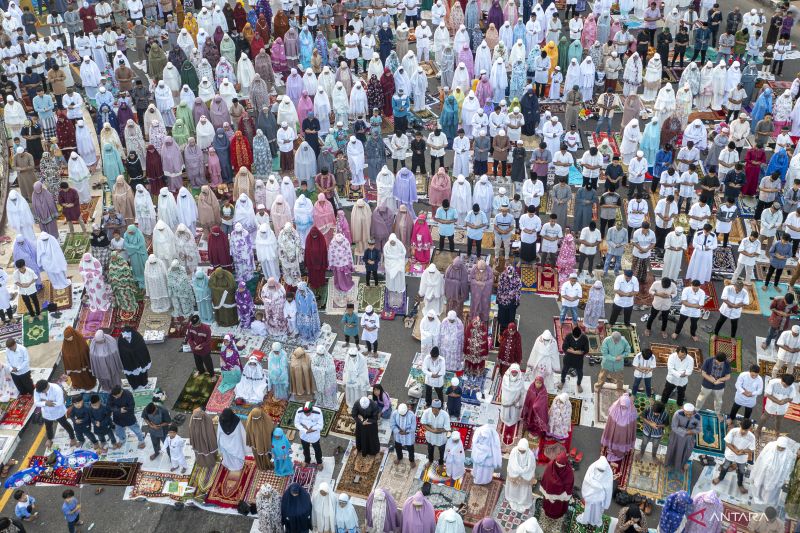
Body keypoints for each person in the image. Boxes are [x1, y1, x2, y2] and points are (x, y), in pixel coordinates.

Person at [713, 418, 755, 494]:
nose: (743, 431)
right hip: (730, 454)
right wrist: (735, 451)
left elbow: (752, 450)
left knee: (741, 470)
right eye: (742, 429)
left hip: (742, 457)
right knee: (725, 466)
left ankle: (740, 484)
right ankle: (720, 477)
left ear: (749, 429)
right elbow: (727, 443)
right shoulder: (733, 431)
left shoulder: (752, 437)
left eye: (746, 430)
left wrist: (742, 451)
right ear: (740, 425)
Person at [751, 437, 796, 505]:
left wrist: (786, 478)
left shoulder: (789, 454)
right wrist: (757, 469)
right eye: (779, 447)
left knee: (771, 490)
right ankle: (757, 497)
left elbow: (788, 467)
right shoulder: (770, 446)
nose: (780, 449)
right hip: (764, 471)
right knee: (760, 484)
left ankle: (766, 502)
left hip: (776, 475)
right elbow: (761, 457)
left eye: (782, 448)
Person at [34, 380, 77, 450]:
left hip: (58, 412)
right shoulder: (37, 390)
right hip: (46, 413)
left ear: (46, 387)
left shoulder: (56, 389)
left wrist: (44, 402)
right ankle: (50, 438)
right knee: (48, 427)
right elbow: (36, 402)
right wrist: (45, 403)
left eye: (42, 392)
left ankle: (72, 438)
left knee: (65, 424)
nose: (41, 393)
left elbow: (60, 402)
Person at [577, 457, 613, 528]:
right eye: (599, 469)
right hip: (590, 496)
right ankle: (586, 519)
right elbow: (586, 481)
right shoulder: (592, 467)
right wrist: (598, 487)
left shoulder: (609, 473)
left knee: (597, 512)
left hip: (599, 500)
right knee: (588, 510)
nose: (600, 472)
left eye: (602, 470)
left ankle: (595, 521)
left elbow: (609, 490)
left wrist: (606, 504)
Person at [757, 374, 795, 438]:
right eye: (785, 385)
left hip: (783, 406)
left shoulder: (791, 386)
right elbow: (767, 394)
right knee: (765, 417)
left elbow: (791, 398)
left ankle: (777, 431)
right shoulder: (773, 382)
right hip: (771, 405)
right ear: (781, 380)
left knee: (779, 419)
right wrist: (777, 401)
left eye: (788, 386)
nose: (786, 387)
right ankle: (758, 429)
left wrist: (784, 401)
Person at [695, 352, 732, 418]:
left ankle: (717, 413)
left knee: (719, 401)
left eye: (721, 363)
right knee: (701, 398)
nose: (719, 364)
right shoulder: (708, 361)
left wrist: (719, 380)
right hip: (707, 384)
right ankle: (696, 409)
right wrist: (713, 381)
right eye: (718, 362)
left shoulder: (726, 363)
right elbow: (703, 373)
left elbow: (728, 376)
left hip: (719, 386)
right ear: (715, 358)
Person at [664, 403, 700, 472]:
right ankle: (667, 465)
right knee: (671, 450)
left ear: (693, 412)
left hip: (688, 439)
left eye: (690, 414)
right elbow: (674, 427)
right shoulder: (677, 414)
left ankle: (680, 466)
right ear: (683, 410)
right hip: (676, 437)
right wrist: (687, 432)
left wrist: (688, 431)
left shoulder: (697, 417)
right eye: (687, 414)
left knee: (685, 452)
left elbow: (698, 429)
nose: (688, 416)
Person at [109, 385, 146, 449]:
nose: (115, 397)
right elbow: (110, 406)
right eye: (114, 396)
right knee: (119, 431)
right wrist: (119, 410)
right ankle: (122, 440)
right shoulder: (111, 395)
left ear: (121, 392)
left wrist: (125, 409)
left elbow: (132, 406)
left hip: (128, 416)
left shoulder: (128, 394)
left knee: (136, 429)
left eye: (117, 396)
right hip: (117, 417)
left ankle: (141, 440)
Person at [294, 402, 324, 469]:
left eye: (308, 413)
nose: (307, 415)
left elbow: (320, 425)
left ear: (312, 410)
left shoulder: (318, 412)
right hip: (304, 434)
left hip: (314, 435)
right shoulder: (299, 411)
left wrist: (312, 429)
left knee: (317, 449)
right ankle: (307, 460)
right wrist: (304, 430)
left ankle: (319, 462)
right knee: (305, 448)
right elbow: (296, 423)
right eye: (305, 413)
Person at [421, 398, 450, 465]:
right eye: (433, 409)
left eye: (436, 410)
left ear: (440, 409)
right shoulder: (427, 412)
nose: (434, 411)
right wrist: (432, 430)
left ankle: (441, 463)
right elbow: (423, 423)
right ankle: (430, 461)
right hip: (430, 437)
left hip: (441, 439)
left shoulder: (445, 415)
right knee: (430, 450)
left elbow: (447, 428)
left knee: (442, 452)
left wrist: (438, 430)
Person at [560, 326, 588, 393]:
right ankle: (562, 381)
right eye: (574, 337)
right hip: (568, 359)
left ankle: (578, 384)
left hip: (578, 361)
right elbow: (564, 347)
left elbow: (586, 350)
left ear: (580, 335)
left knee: (580, 373)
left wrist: (572, 350)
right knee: (564, 371)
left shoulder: (584, 338)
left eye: (577, 337)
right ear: (572, 334)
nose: (575, 338)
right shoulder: (569, 336)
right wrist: (577, 352)